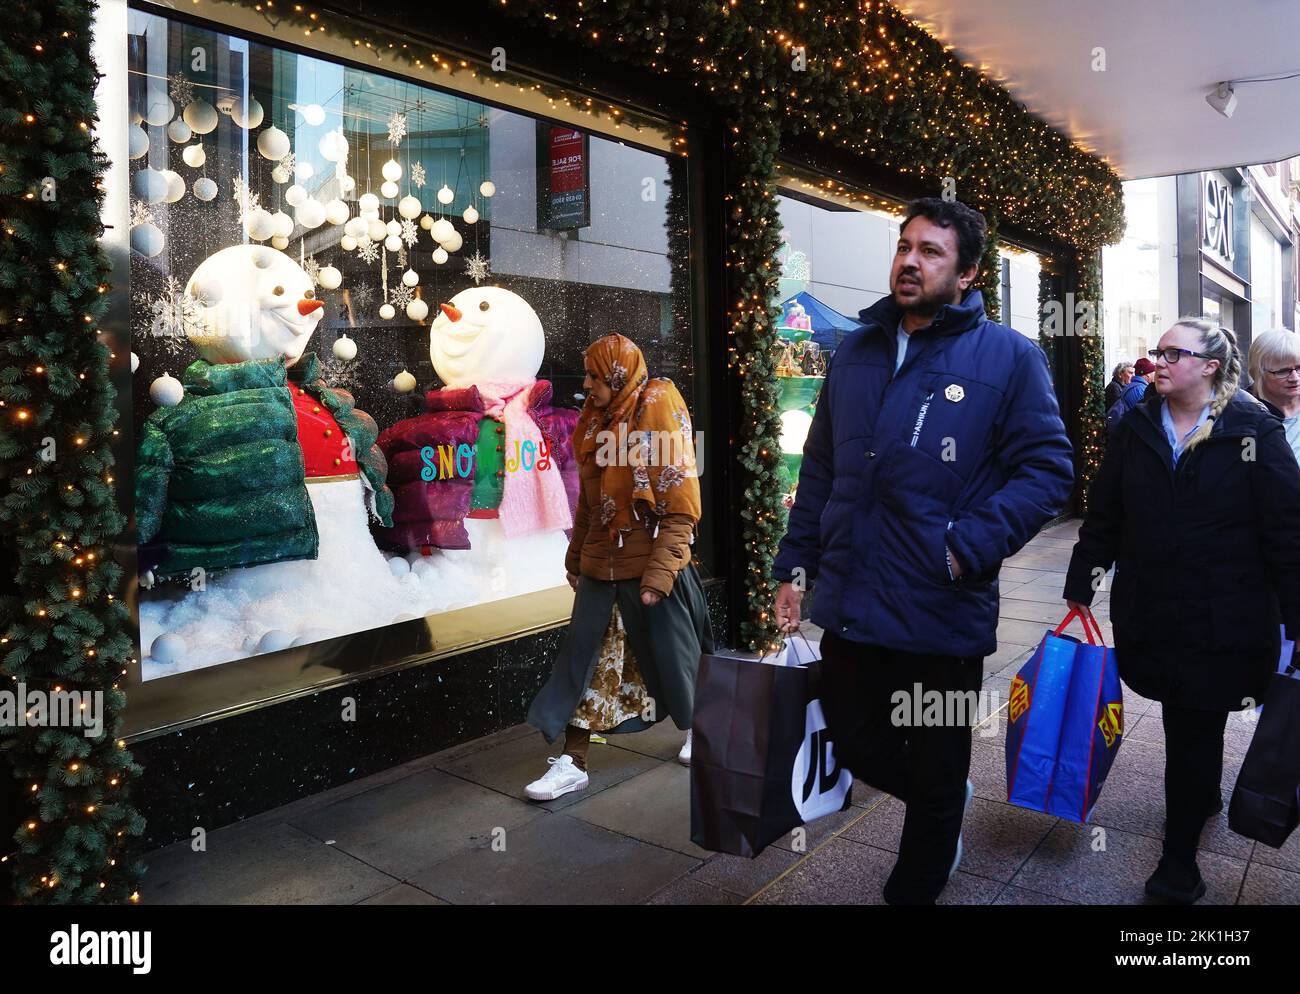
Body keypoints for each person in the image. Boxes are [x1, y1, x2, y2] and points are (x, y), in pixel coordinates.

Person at [772, 197, 1074, 904]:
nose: (910, 260)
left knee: (935, 764)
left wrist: (964, 547)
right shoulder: (857, 351)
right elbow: (820, 469)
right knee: (853, 743)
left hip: (942, 607)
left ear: (967, 273)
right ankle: (943, 804)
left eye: (931, 251)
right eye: (905, 246)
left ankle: (920, 869)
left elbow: (1048, 469)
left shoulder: (1008, 358)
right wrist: (795, 564)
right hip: (850, 598)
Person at [1063, 318, 1300, 904]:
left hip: (1225, 614)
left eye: (1175, 352)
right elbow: (1107, 513)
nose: (1160, 361)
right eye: (1157, 351)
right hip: (1152, 606)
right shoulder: (1137, 426)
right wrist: (1082, 580)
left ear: (1210, 366)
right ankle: (1200, 798)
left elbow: (1287, 532)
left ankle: (1178, 861)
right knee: (1187, 720)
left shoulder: (1253, 430)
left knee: (1192, 726)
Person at [524, 333, 712, 800]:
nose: (586, 385)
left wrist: (660, 575)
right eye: (587, 375)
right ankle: (573, 761)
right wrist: (575, 558)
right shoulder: (594, 419)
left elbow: (682, 503)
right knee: (583, 665)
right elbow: (590, 502)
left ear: (617, 373)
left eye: (593, 375)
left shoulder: (658, 403)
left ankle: (702, 731)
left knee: (676, 662)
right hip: (602, 569)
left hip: (653, 567)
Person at [1247, 328, 1300, 459]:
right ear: (1259, 373)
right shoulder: (1244, 416)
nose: (1295, 378)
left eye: (1299, 368)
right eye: (1283, 371)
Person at [1106, 357, 1156, 433]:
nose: (1133, 375)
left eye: (1133, 373)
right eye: (1130, 373)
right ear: (1148, 375)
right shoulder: (1140, 390)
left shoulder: (1131, 386)